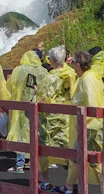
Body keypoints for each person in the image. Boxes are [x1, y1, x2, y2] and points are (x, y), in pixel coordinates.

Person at [65, 50, 104, 193]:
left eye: (73, 63)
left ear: (78, 65)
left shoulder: (87, 80)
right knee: (78, 157)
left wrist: (88, 123)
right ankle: (69, 187)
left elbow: (92, 104)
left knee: (94, 162)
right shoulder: (91, 76)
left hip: (91, 126)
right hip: (89, 125)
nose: (72, 65)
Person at [37, 46, 76, 189]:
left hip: (51, 119)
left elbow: (42, 99)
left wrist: (37, 92)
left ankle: (45, 181)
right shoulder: (71, 74)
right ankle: (70, 183)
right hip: (69, 117)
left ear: (52, 60)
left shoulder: (51, 78)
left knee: (43, 150)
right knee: (71, 150)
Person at [6, 50, 48, 173]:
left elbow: (10, 86)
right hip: (36, 106)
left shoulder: (19, 70)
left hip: (21, 106)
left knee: (20, 134)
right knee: (34, 133)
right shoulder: (43, 71)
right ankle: (33, 162)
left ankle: (19, 165)